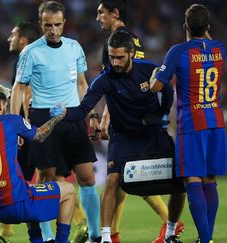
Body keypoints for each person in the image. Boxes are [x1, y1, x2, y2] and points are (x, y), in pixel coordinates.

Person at [52, 30, 185, 243]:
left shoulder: (149, 70)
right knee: (112, 180)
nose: (115, 62)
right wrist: (66, 113)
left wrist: (160, 113)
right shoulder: (104, 80)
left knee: (180, 179)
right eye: (112, 56)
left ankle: (170, 231)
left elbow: (167, 90)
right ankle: (106, 237)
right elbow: (83, 108)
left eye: (120, 57)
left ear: (131, 53)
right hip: (123, 136)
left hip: (153, 133)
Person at [11, 1, 101, 242]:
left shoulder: (74, 48)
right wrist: (17, 123)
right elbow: (18, 89)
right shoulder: (30, 52)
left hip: (73, 117)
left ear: (64, 23)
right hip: (43, 119)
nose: (53, 30)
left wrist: (91, 114)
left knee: (87, 177)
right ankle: (47, 236)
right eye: (48, 25)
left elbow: (82, 84)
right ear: (40, 24)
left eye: (58, 25)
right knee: (47, 178)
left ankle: (95, 235)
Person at [94, 1, 184, 242]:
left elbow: (126, 85)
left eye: (101, 12)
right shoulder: (126, 41)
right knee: (123, 178)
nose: (98, 17)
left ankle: (164, 223)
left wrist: (105, 119)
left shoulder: (121, 42)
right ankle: (112, 234)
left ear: (115, 13)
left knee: (123, 176)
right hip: (137, 118)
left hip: (134, 122)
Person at [0, 82, 75, 243]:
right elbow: (40, 135)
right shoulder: (11, 122)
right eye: (5, 105)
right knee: (69, 191)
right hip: (18, 204)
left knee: (28, 189)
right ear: (1, 105)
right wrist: (57, 118)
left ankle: (37, 240)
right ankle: (62, 241)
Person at [150, 4, 226, 243]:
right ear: (208, 28)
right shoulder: (220, 48)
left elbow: (156, 87)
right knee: (209, 181)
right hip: (216, 121)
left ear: (185, 27)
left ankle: (205, 241)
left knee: (192, 181)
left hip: (192, 123)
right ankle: (208, 238)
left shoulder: (178, 51)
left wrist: (153, 75)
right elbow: (208, 42)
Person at [0, 22, 40, 243]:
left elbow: (28, 94)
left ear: (23, 39)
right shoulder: (34, 57)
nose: (9, 39)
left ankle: (79, 223)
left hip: (30, 130)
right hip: (36, 127)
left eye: (13, 35)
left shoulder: (26, 59)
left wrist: (22, 126)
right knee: (26, 177)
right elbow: (23, 92)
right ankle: (6, 231)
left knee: (22, 179)